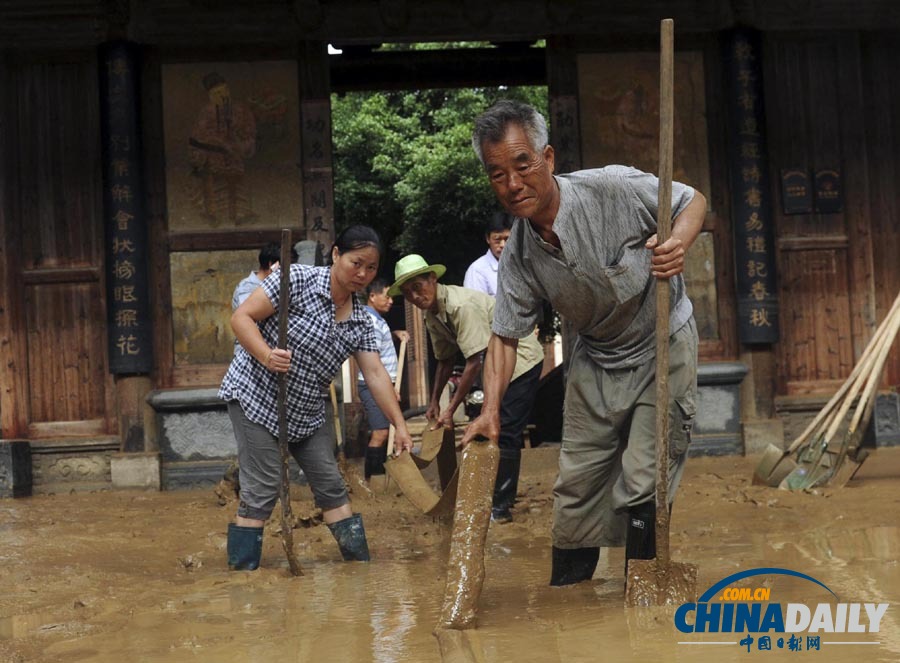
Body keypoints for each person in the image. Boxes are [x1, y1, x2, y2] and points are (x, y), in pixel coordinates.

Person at [462, 100, 707, 585]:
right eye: (497, 174)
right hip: (596, 354)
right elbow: (505, 336)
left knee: (644, 479)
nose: (512, 184)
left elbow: (691, 200)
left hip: (662, 342)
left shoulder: (611, 188)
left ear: (547, 159)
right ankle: (567, 605)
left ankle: (644, 596)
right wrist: (490, 411)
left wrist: (677, 242)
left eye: (522, 165)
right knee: (574, 487)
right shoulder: (519, 254)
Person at [219, 225, 413, 570]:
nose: (363, 274)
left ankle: (360, 570)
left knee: (331, 485)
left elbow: (376, 374)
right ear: (336, 254)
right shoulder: (296, 280)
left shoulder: (361, 322)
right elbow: (241, 318)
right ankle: (242, 578)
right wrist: (266, 354)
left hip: (307, 410)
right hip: (258, 398)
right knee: (262, 488)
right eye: (356, 263)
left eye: (370, 269)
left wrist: (399, 424)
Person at [389, 254, 544, 522]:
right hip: (495, 368)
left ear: (432, 279)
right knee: (485, 426)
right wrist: (435, 402)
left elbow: (474, 362)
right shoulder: (431, 314)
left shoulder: (461, 305)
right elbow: (445, 359)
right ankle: (486, 496)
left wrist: (451, 408)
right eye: (407, 293)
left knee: (504, 428)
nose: (414, 296)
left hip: (521, 360)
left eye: (418, 287)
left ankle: (500, 507)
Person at [356, 277, 409, 481]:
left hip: (382, 384)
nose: (391, 301)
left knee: (386, 432)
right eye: (386, 297)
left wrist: (394, 334)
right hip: (375, 385)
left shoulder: (377, 320)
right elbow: (373, 362)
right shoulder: (370, 322)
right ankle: (373, 479)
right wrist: (390, 388)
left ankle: (379, 476)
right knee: (380, 433)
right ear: (372, 296)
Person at [189, 72, 257, 226]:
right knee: (211, 186)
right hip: (211, 157)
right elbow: (196, 137)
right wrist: (211, 146)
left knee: (238, 186)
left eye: (224, 90)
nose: (222, 95)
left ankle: (240, 214)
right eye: (217, 93)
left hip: (235, 157)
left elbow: (250, 132)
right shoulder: (205, 112)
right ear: (210, 95)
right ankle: (213, 215)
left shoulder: (241, 110)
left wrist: (240, 145)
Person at [232, 241, 298, 310]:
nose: (289, 274)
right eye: (287, 269)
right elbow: (249, 314)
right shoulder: (247, 288)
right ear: (272, 265)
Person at [463, 211, 513, 297]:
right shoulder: (477, 270)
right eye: (497, 240)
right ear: (488, 239)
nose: (503, 245)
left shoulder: (525, 264)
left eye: (507, 239)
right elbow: (475, 307)